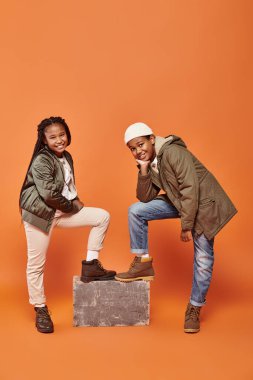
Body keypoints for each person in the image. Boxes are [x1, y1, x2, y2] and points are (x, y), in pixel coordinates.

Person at [115, 122, 237, 333]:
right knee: (136, 210)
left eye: (141, 144)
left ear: (152, 139)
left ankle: (195, 307)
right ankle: (142, 262)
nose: (138, 151)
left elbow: (190, 188)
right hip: (182, 201)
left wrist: (185, 226)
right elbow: (145, 197)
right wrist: (143, 170)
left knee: (203, 260)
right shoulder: (152, 162)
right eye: (133, 149)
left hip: (203, 205)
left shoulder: (173, 152)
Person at [20, 116, 116, 333]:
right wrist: (73, 207)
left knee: (102, 216)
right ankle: (40, 308)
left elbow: (67, 187)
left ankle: (91, 266)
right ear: (44, 141)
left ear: (68, 135)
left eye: (62, 134)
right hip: (40, 215)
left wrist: (74, 202)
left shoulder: (67, 156)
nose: (59, 140)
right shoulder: (41, 160)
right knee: (36, 265)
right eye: (52, 137)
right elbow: (48, 194)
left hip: (61, 212)